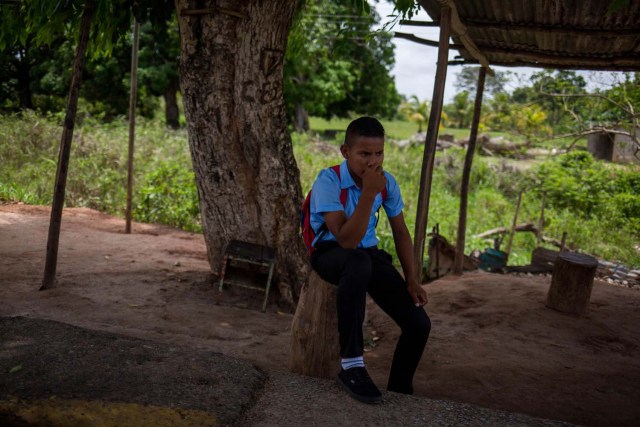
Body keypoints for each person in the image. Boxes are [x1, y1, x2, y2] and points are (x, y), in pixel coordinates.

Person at [309, 116, 431, 404]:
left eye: (379, 153)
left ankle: (400, 392)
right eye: (364, 154)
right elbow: (346, 240)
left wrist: (412, 279)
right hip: (330, 254)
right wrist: (368, 192)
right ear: (345, 152)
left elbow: (401, 232)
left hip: (367, 255)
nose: (372, 161)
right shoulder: (329, 180)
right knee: (357, 261)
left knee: (418, 324)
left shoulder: (386, 183)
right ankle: (351, 365)